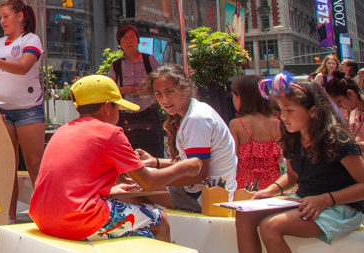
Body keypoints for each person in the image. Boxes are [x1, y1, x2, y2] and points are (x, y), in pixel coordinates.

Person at [221, 77, 364, 253]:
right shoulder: (293, 137)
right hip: (305, 200)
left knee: (271, 226)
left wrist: (327, 199)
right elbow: (292, 175)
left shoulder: (338, 140)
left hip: (340, 208)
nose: (283, 116)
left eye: (289, 110)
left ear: (313, 112)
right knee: (245, 214)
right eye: (280, 110)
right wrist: (271, 190)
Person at [29, 75, 201, 241]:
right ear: (107, 107)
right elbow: (147, 182)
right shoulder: (110, 133)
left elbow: (71, 182)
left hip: (42, 216)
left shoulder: (63, 130)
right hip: (78, 219)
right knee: (160, 220)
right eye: (117, 107)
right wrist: (185, 166)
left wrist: (110, 191)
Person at [0, 0, 45, 221]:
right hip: (1, 110)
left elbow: (23, 67)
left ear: (20, 17)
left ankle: (47, 212)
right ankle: (9, 216)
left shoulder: (31, 39)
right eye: (1, 17)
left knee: (35, 164)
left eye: (6, 16)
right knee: (7, 166)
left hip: (28, 109)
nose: (2, 21)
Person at [138, 64, 237, 211]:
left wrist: (152, 180)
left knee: (131, 193)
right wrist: (155, 162)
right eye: (158, 94)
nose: (164, 99)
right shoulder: (192, 113)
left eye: (169, 92)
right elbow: (187, 164)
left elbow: (197, 173)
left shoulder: (196, 119)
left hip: (206, 199)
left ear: (185, 88)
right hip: (200, 192)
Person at [106, 24, 161, 157]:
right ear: (120, 43)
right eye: (125, 38)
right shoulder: (116, 65)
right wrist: (126, 89)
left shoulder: (149, 60)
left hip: (149, 113)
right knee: (129, 154)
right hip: (126, 116)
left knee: (153, 153)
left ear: (138, 40)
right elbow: (109, 90)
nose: (129, 41)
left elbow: (161, 82)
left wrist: (144, 89)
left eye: (132, 37)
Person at [229, 75, 282, 191]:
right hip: (274, 185)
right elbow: (282, 162)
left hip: (246, 187)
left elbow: (233, 161)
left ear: (241, 98)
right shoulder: (278, 124)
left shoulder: (236, 124)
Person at [324, 76, 364, 145]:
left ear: (350, 93)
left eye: (339, 101)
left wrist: (350, 145)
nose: (339, 107)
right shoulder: (353, 111)